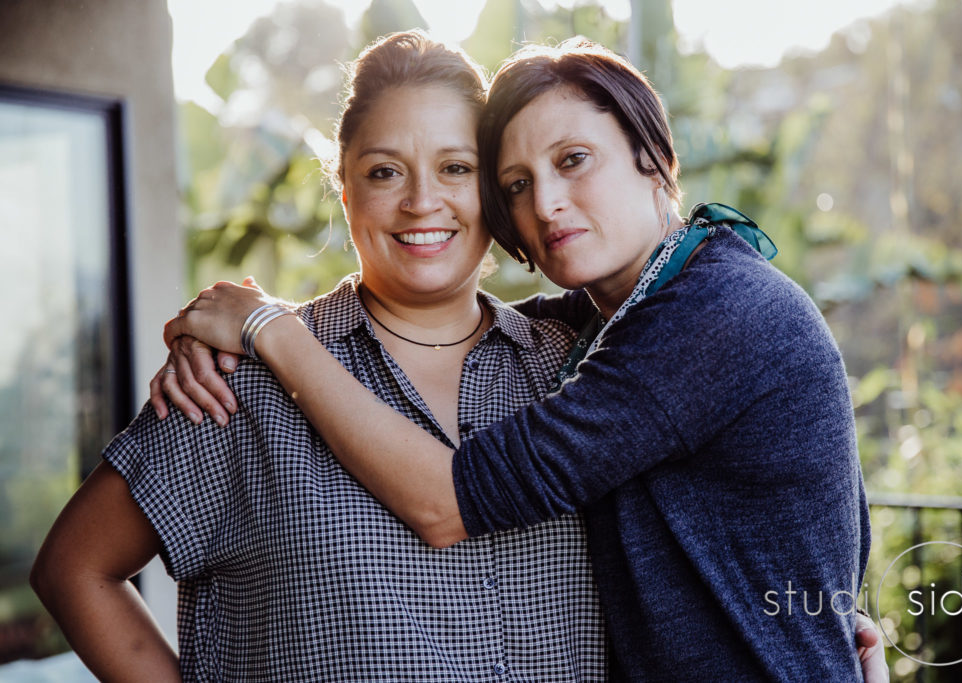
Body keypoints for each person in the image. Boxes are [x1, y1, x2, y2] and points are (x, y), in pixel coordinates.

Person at [162, 38, 886, 681]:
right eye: (516, 184)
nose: (547, 203)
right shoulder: (623, 317)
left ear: (655, 159)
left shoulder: (714, 315)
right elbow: (442, 320)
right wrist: (274, 323)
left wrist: (269, 332)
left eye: (574, 160)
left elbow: (446, 501)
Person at [31, 32, 608, 681]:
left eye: (456, 167)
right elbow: (74, 568)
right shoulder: (238, 380)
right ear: (344, 189)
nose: (422, 201)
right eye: (385, 171)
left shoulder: (574, 367)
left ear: (498, 190)